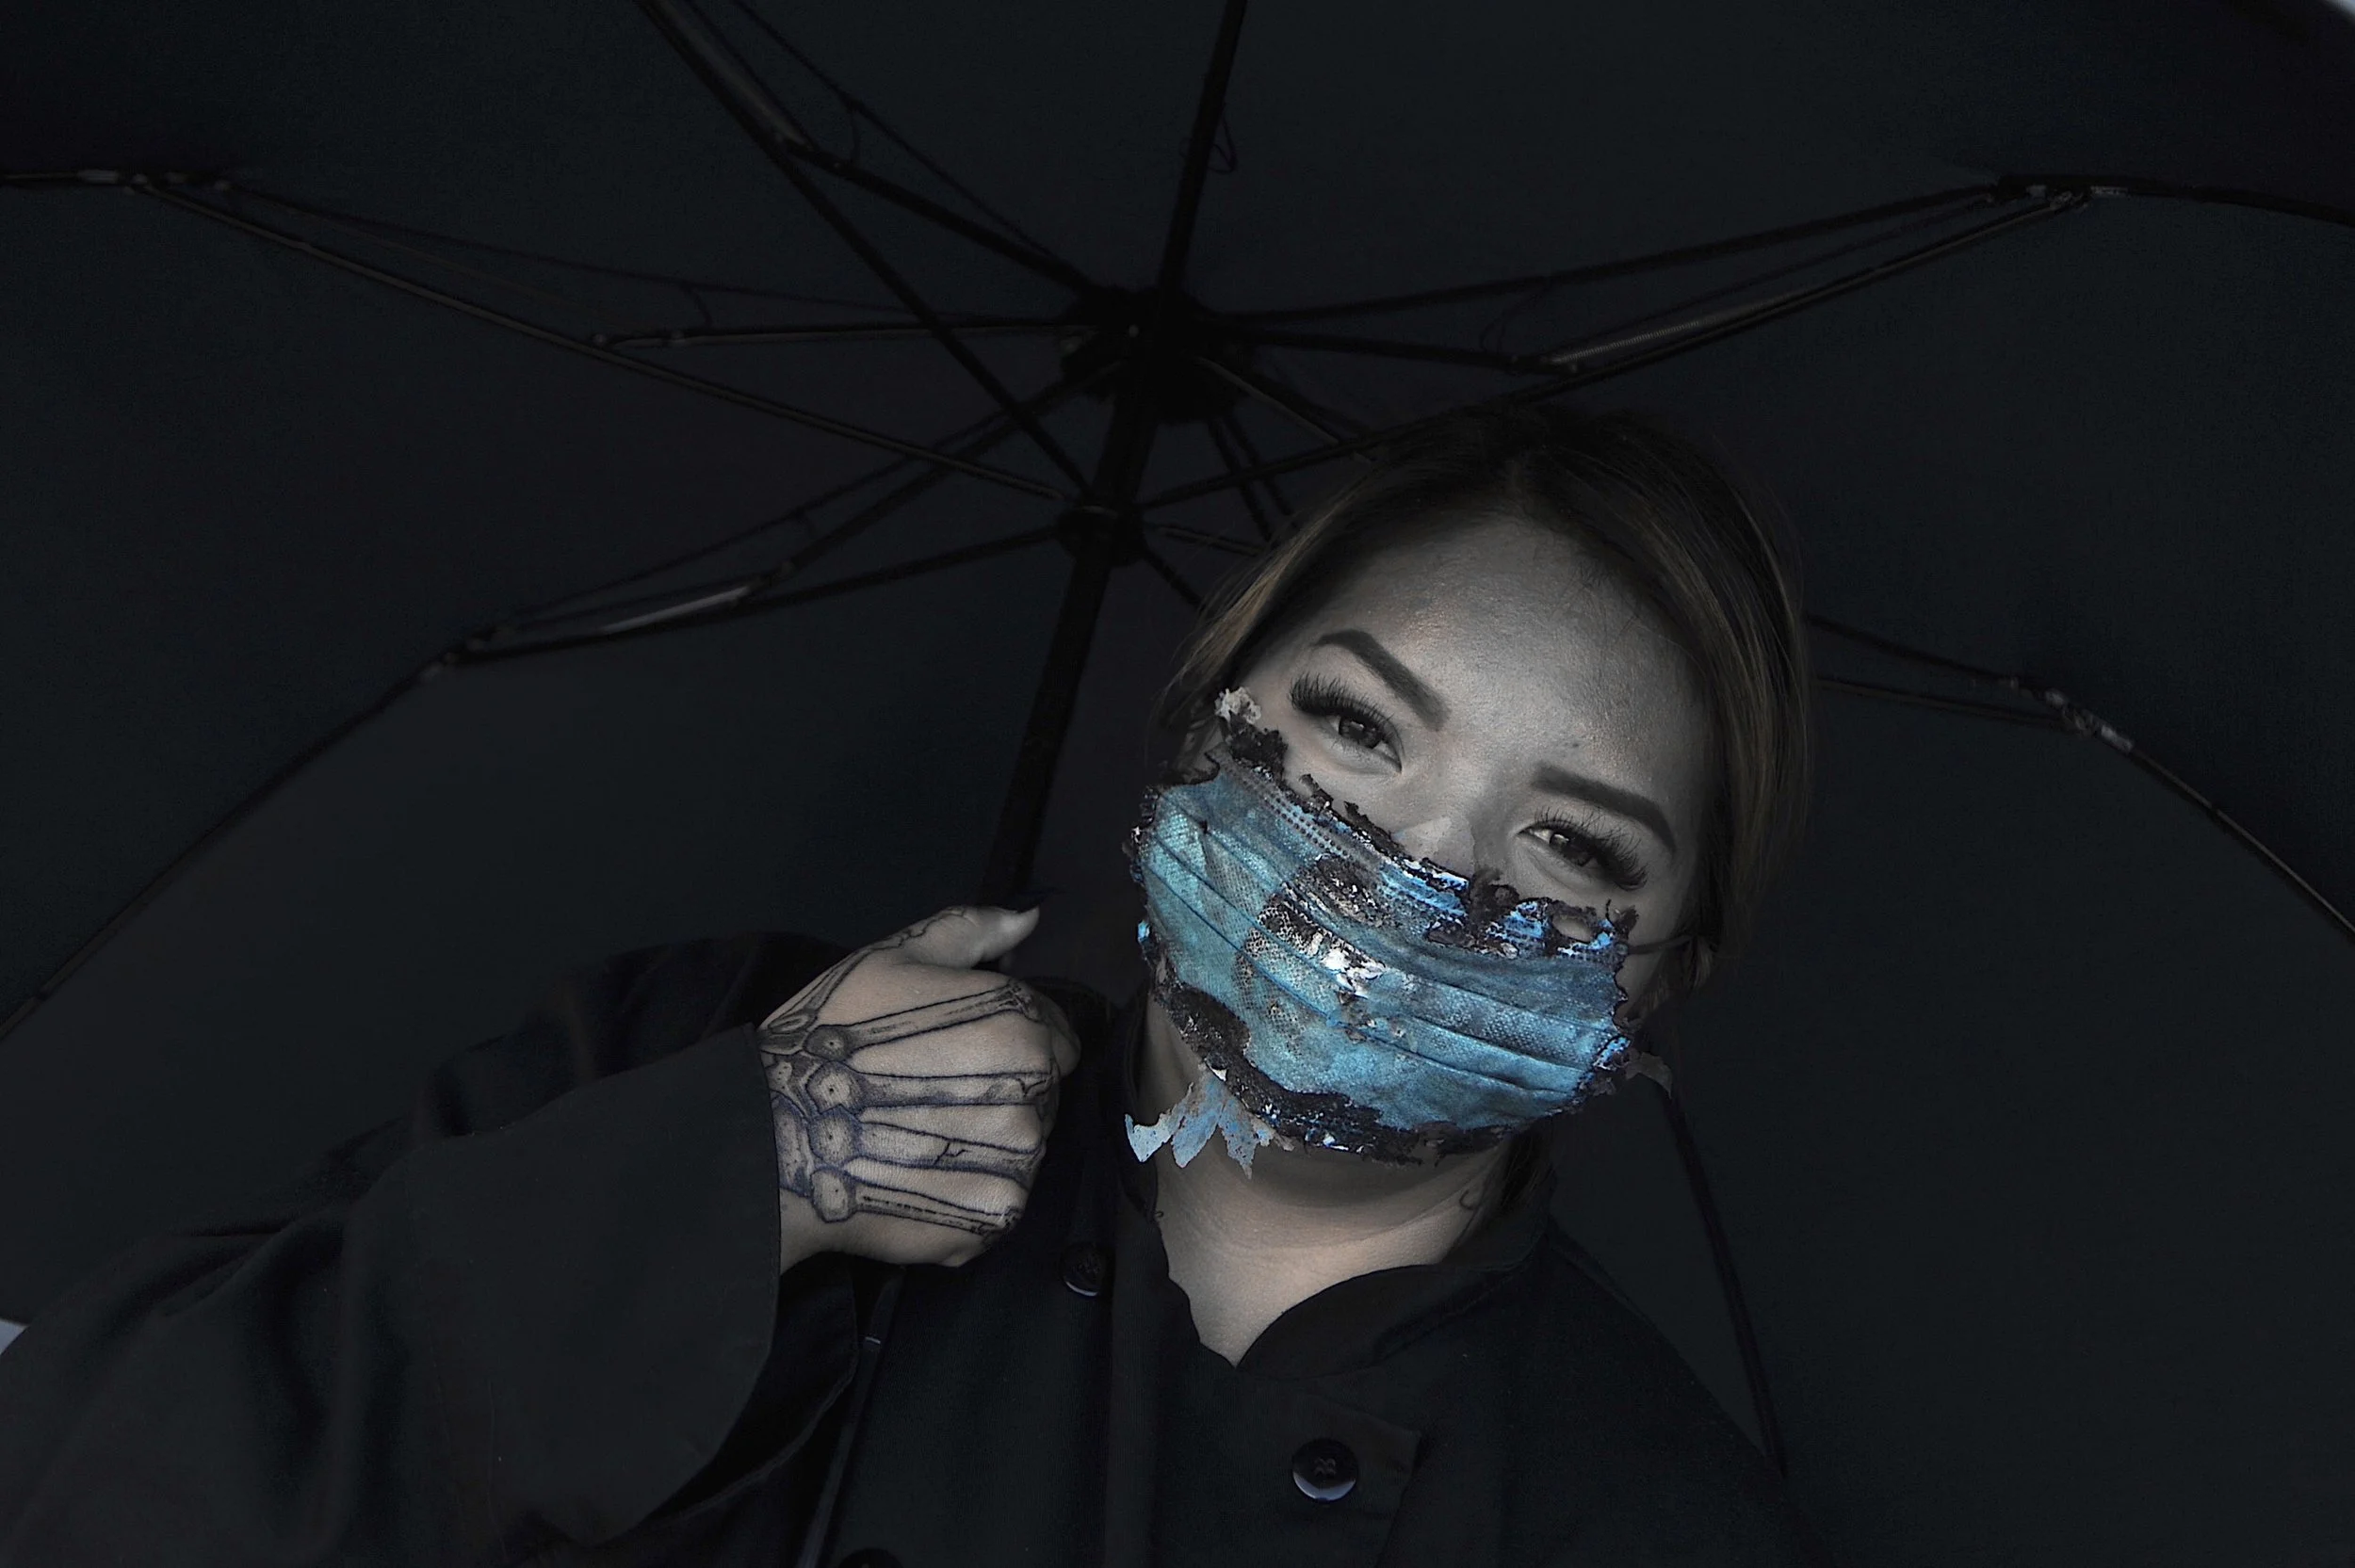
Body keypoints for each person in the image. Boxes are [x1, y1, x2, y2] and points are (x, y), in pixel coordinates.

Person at [0, 404, 1824, 1566]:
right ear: (1209, 711)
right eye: (1357, 723)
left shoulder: (1656, 1515)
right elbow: (103, 1482)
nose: (1417, 859)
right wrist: (732, 1175)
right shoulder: (693, 1054)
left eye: (1574, 845)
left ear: (1662, 974)